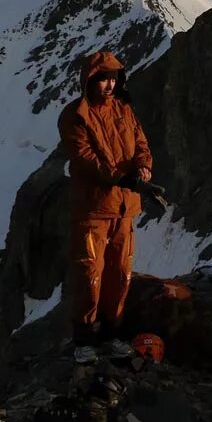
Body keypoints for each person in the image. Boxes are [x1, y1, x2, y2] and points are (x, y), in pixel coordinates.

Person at [58, 51, 159, 357]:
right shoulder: (75, 116)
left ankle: (112, 333)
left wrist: (143, 168)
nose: (109, 85)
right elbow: (85, 158)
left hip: (124, 208)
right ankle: (85, 339)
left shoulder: (124, 110)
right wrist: (120, 178)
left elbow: (141, 143)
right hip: (92, 210)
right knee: (90, 273)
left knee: (120, 272)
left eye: (113, 78)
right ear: (89, 80)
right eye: (103, 78)